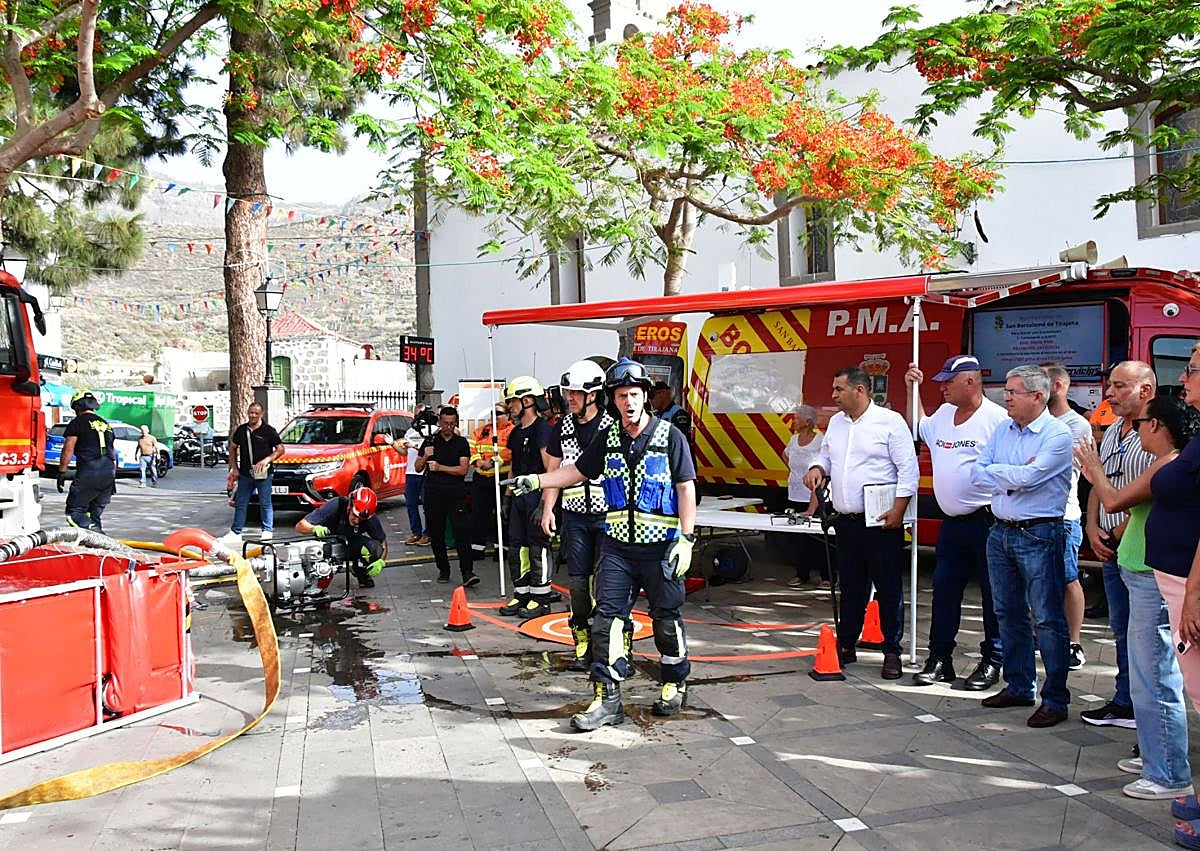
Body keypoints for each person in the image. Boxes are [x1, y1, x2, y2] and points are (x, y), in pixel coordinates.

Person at [512, 357, 697, 729]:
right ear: (611, 399)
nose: (628, 402)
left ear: (644, 396)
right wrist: (538, 480)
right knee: (606, 621)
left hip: (661, 547)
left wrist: (687, 539)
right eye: (621, 395)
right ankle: (606, 701)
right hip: (618, 549)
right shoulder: (609, 438)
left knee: (665, 621)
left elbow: (685, 487)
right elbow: (577, 471)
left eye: (633, 394)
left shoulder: (669, 436)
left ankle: (674, 682)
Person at [1077, 393, 1194, 801]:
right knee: (1144, 672)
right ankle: (1154, 754)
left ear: (1157, 426)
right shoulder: (1167, 467)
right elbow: (1134, 511)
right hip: (1139, 573)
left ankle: (1168, 773)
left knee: (1154, 678)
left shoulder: (1169, 463)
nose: (1135, 430)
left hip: (1152, 580)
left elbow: (1115, 499)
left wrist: (1094, 470)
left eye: (1141, 424)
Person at [970, 364, 1073, 728]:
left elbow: (1031, 477)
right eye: (1007, 391)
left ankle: (1056, 699)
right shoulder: (1003, 429)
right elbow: (977, 470)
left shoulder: (1057, 435)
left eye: (1013, 392)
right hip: (1000, 531)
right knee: (1007, 612)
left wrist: (1003, 473)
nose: (1005, 397)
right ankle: (1018, 685)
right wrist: (1012, 475)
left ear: (1038, 396)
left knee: (1046, 618)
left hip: (1039, 533)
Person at [803, 366, 919, 680]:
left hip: (881, 521)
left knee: (888, 588)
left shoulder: (890, 423)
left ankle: (891, 650)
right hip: (847, 521)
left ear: (860, 390)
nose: (833, 395)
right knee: (851, 588)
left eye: (839, 389)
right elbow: (826, 456)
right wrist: (817, 467)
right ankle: (847, 643)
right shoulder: (836, 424)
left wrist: (899, 510)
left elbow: (908, 470)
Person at [905, 355, 1008, 689]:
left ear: (970, 381)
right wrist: (913, 389)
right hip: (952, 522)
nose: (943, 387)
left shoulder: (997, 419)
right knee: (944, 591)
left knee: (994, 595)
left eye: (948, 381)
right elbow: (919, 425)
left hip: (987, 520)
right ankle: (940, 659)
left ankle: (993, 660)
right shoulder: (944, 414)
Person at [1079, 361, 1157, 729]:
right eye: (1110, 385)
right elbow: (1099, 481)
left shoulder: (1159, 434)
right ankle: (1124, 701)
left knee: (1146, 639)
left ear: (1146, 390)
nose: (1109, 393)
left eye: (1119, 386)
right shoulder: (1112, 430)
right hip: (1110, 545)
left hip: (1137, 547)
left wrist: (1119, 529)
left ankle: (1146, 712)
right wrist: (1092, 527)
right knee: (1121, 628)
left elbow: (1152, 492)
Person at [541, 360, 615, 671]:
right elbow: (553, 472)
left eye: (575, 393)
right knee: (578, 587)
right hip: (575, 519)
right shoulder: (564, 427)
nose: (569, 398)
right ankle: (581, 641)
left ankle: (611, 648)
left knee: (609, 586)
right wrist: (547, 509)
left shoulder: (613, 426)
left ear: (594, 395)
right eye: (567, 392)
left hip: (608, 517)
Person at [1042, 362, 1092, 670]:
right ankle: (1045, 634)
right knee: (1038, 580)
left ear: (1058, 387)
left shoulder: (1077, 424)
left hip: (1064, 517)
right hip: (1033, 517)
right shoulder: (1031, 421)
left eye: (1041, 382)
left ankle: (1074, 642)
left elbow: (1056, 465)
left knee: (1068, 578)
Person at [499, 376, 555, 618]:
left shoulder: (544, 431)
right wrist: (507, 497)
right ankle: (522, 593)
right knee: (517, 548)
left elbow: (550, 469)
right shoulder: (516, 432)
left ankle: (541, 598)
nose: (510, 406)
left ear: (528, 400)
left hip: (537, 496)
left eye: (513, 401)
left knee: (538, 548)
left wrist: (545, 503)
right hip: (519, 497)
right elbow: (513, 468)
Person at [415, 406, 477, 587]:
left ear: (455, 423)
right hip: (434, 494)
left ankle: (467, 572)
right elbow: (418, 467)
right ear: (440, 422)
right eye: (445, 423)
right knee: (436, 533)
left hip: (455, 494)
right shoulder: (430, 441)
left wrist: (440, 467)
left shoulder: (461, 443)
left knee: (462, 533)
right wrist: (425, 457)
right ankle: (443, 568)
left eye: (451, 424)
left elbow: (463, 470)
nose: (448, 427)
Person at [295, 485, 389, 589]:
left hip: (350, 544)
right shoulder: (336, 505)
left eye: (361, 519)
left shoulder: (370, 518)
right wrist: (314, 529)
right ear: (349, 506)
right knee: (321, 584)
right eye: (355, 515)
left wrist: (381, 562)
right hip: (329, 545)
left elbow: (383, 543)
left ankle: (360, 571)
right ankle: (318, 582)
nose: (357, 521)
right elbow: (300, 526)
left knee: (374, 548)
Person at [222, 402, 284, 546]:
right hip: (245, 474)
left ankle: (267, 531)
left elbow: (280, 449)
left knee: (265, 503)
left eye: (256, 413)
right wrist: (234, 468)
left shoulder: (268, 431)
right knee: (241, 503)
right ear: (248, 412)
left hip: (264, 474)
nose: (253, 416)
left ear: (261, 414)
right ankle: (236, 532)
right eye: (251, 413)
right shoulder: (242, 430)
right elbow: (232, 447)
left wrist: (267, 460)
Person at [59, 390, 117, 532]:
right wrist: (111, 477)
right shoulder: (106, 425)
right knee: (93, 514)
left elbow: (68, 449)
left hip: (90, 471)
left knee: (75, 513)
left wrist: (62, 471)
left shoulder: (77, 423)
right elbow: (113, 454)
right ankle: (97, 548)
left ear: (77, 407)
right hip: (108, 473)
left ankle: (98, 535)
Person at [781, 404, 825, 588]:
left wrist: (812, 507)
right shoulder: (793, 439)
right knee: (798, 539)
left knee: (820, 540)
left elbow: (822, 473)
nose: (793, 420)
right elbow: (785, 456)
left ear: (808, 422)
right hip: (795, 495)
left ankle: (827, 577)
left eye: (797, 417)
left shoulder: (819, 441)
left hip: (813, 498)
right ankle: (801, 575)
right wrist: (796, 475)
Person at [468, 404, 513, 559]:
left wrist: (495, 461)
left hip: (501, 479)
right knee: (478, 514)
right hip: (481, 478)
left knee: (502, 515)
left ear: (508, 415)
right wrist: (478, 461)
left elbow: (510, 451)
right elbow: (471, 447)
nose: (495, 416)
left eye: (499, 413)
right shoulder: (481, 430)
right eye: (493, 413)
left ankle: (502, 549)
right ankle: (477, 548)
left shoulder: (512, 431)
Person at [396, 406, 437, 546]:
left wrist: (413, 445)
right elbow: (404, 452)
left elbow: (429, 449)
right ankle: (416, 532)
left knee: (427, 505)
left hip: (425, 472)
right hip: (411, 472)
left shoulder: (433, 430)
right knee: (411, 503)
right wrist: (393, 444)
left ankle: (428, 533)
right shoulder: (411, 431)